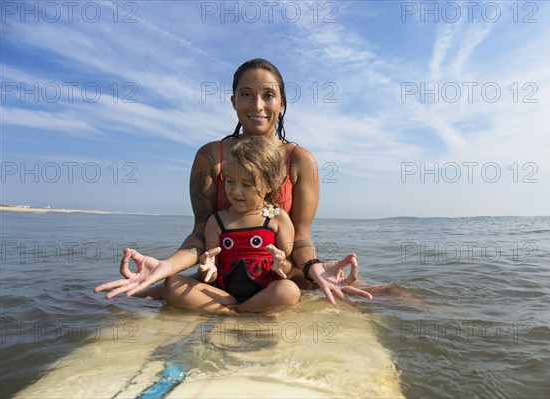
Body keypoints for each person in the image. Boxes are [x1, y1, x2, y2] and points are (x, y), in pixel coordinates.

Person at [95, 58, 372, 307]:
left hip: (280, 275)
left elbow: (300, 237)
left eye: (269, 95)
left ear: (282, 103)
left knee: (384, 294)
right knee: (122, 298)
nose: (258, 106)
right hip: (223, 275)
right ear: (233, 102)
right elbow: (201, 235)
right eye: (247, 95)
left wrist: (313, 266)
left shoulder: (300, 160)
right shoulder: (210, 157)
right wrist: (167, 266)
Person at [162, 136, 299, 314]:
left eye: (247, 184)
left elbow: (288, 270)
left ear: (269, 185)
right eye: (230, 181)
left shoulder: (277, 218)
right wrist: (207, 270)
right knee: (172, 284)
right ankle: (232, 312)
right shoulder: (217, 221)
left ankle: (236, 311)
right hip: (225, 295)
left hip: (265, 294)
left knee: (289, 291)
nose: (235, 191)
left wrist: (283, 265)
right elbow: (212, 275)